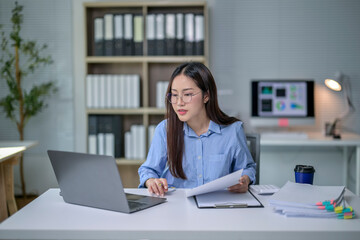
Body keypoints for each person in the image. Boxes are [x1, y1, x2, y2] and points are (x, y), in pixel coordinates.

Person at [138, 62, 256, 196]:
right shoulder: (165, 129)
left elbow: (247, 168)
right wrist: (151, 181)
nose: (179, 103)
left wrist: (245, 180)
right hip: (177, 208)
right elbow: (148, 170)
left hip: (218, 207)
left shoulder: (232, 131)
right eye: (175, 95)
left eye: (187, 94)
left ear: (206, 96)